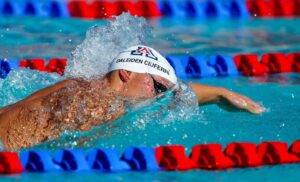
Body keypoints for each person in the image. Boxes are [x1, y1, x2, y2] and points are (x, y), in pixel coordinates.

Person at [0, 45, 264, 150]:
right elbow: (68, 151)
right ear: (126, 73)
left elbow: (169, 89)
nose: (159, 97)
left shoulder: (84, 84)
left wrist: (220, 92)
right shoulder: (99, 104)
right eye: (157, 88)